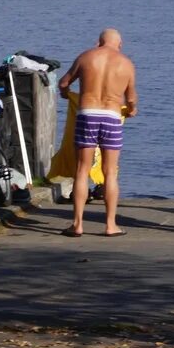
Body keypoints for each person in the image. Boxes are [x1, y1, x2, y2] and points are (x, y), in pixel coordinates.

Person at [57, 28, 137, 237]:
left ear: (98, 42)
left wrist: (66, 94)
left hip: (87, 114)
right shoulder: (126, 63)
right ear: (120, 44)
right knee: (110, 172)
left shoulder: (86, 57)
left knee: (82, 170)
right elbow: (131, 99)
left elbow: (64, 82)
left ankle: (77, 225)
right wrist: (132, 109)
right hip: (111, 117)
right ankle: (110, 225)